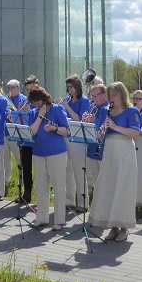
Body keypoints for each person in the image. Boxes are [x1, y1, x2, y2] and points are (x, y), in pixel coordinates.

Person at [88, 82, 140, 242]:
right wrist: (96, 127)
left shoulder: (132, 111)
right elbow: (99, 132)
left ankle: (124, 228)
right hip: (109, 150)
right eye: (110, 95)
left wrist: (115, 127)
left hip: (125, 151)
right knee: (109, 186)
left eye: (114, 95)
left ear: (122, 95)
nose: (112, 99)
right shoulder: (105, 110)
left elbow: (135, 133)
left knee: (123, 187)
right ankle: (113, 226)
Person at [26, 83, 70, 230]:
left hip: (57, 153)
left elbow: (68, 131)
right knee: (41, 186)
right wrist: (40, 117)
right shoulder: (33, 113)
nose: (37, 104)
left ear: (45, 99)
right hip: (38, 153)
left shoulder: (57, 109)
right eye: (34, 102)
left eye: (38, 101)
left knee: (58, 186)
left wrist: (54, 128)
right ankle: (42, 217)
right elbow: (31, 133)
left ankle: (59, 220)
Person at [59, 74, 91, 210]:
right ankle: (69, 200)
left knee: (79, 170)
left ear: (77, 87)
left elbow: (79, 119)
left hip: (77, 138)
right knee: (67, 170)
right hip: (65, 136)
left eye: (71, 87)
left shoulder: (84, 101)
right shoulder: (67, 99)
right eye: (67, 87)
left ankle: (83, 202)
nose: (69, 90)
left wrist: (66, 107)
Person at [81, 83, 110, 200]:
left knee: (102, 179)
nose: (93, 99)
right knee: (91, 178)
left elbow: (105, 126)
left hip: (102, 149)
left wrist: (94, 120)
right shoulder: (93, 107)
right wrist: (84, 120)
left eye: (96, 95)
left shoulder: (107, 107)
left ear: (105, 95)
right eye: (92, 96)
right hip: (91, 148)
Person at [18, 75, 40, 203]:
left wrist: (28, 110)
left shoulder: (42, 100)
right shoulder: (25, 101)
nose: (29, 92)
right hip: (26, 139)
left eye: (31, 89)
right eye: (27, 90)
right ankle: (27, 193)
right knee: (26, 167)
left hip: (37, 139)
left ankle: (40, 194)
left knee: (39, 168)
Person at [2, 79, 24, 193]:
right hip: (5, 132)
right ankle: (6, 180)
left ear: (18, 88)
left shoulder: (23, 99)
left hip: (16, 134)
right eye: (8, 88)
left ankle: (23, 182)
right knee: (6, 159)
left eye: (12, 88)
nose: (10, 90)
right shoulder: (5, 99)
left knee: (19, 159)